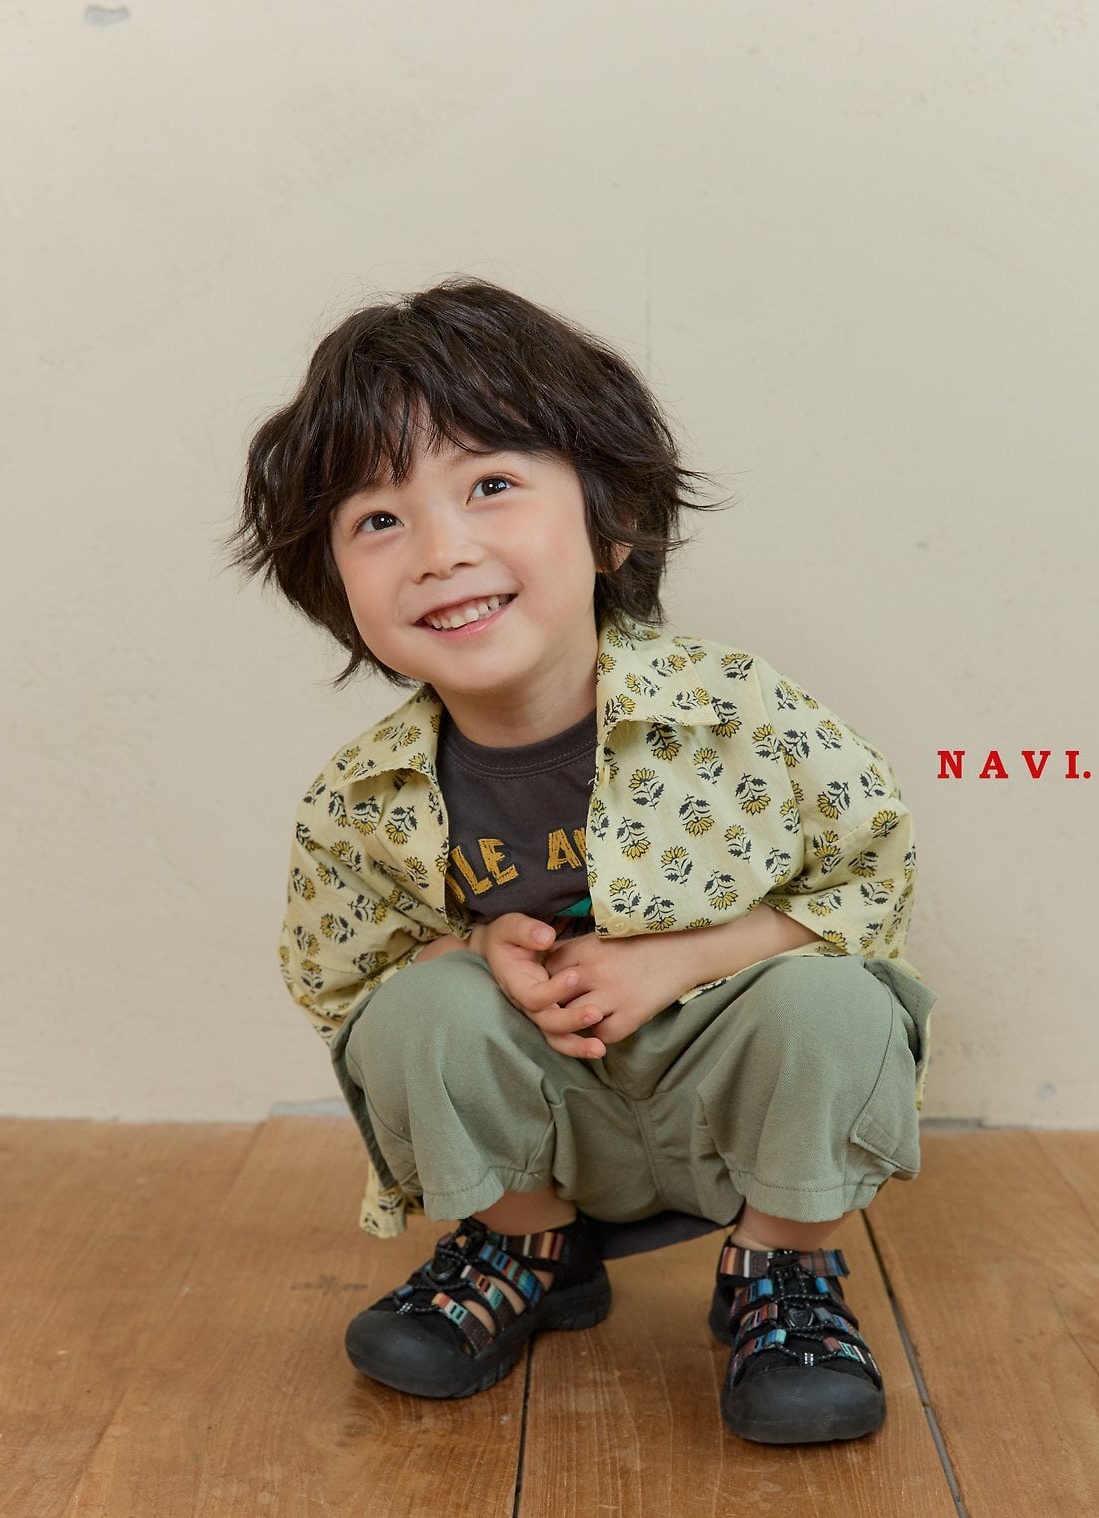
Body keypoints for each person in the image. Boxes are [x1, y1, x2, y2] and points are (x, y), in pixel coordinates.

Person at [225, 274, 938, 1446]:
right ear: (336, 586)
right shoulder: (360, 798)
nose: (439, 550)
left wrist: (686, 957)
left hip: (722, 1097)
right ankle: (529, 1248)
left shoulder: (734, 711)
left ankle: (780, 1268)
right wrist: (469, 950)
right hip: (550, 1115)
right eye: (377, 520)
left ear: (610, 525)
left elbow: (868, 877)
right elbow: (338, 975)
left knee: (838, 1003)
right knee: (413, 1014)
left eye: (489, 485)